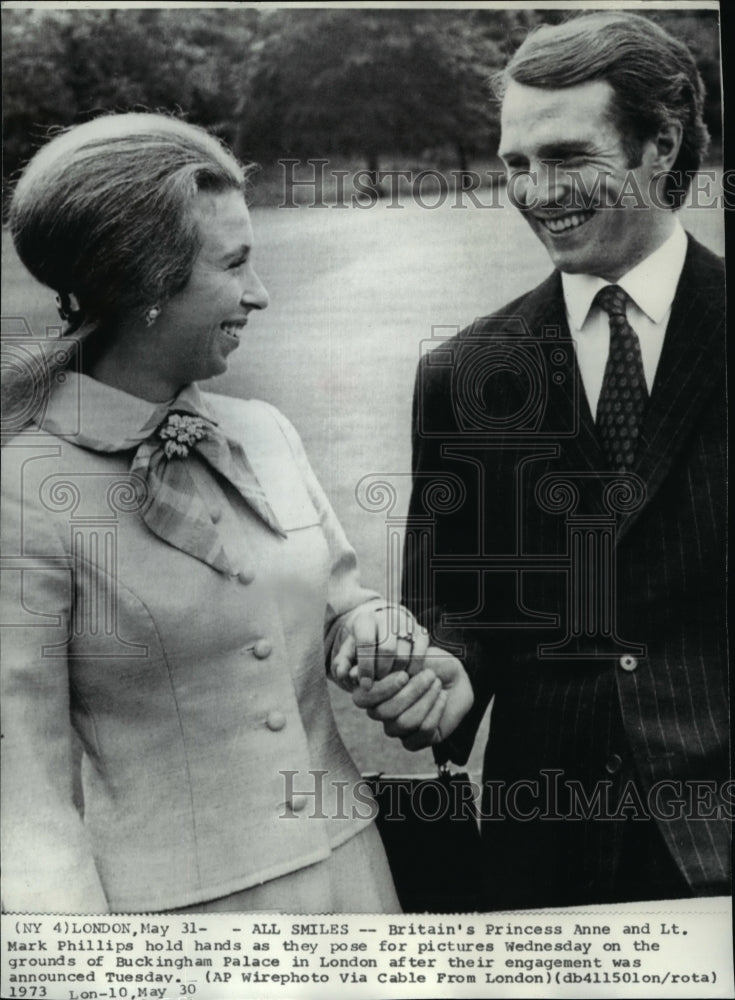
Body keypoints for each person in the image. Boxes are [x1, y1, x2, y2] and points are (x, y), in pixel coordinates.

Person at [1, 112, 472, 914]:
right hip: (184, 931)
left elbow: (338, 607)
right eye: (235, 265)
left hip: (357, 885)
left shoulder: (266, 432)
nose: (260, 293)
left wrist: (373, 638)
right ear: (144, 282)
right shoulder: (20, 492)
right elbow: (27, 802)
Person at [401, 11, 729, 909]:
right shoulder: (464, 371)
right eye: (515, 164)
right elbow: (454, 602)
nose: (536, 192)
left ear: (659, 146)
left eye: (566, 157)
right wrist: (446, 670)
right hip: (539, 849)